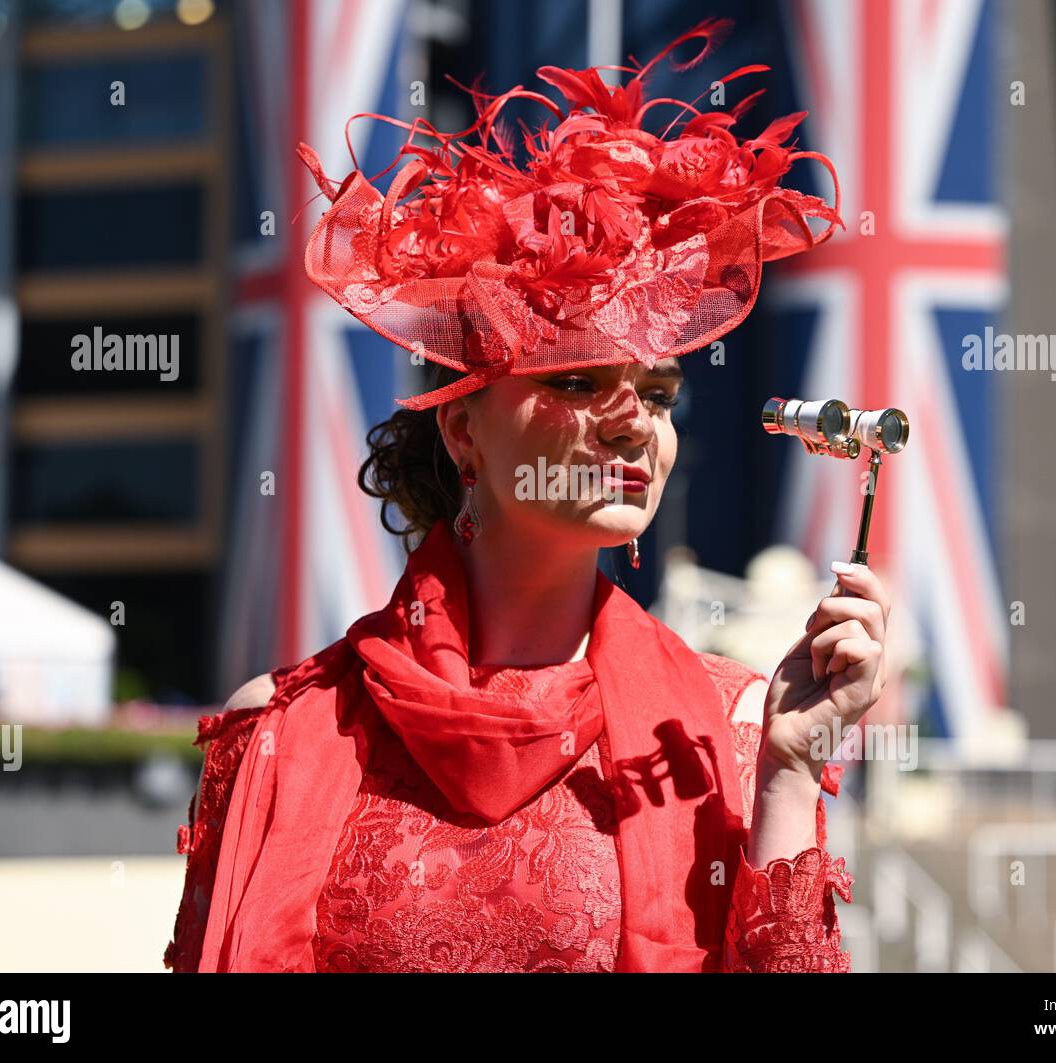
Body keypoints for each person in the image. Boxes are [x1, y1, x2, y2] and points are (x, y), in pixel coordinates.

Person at [166, 17, 888, 973]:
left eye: (660, 392)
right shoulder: (280, 727)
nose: (637, 422)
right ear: (462, 425)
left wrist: (793, 777)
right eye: (579, 381)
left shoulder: (736, 730)